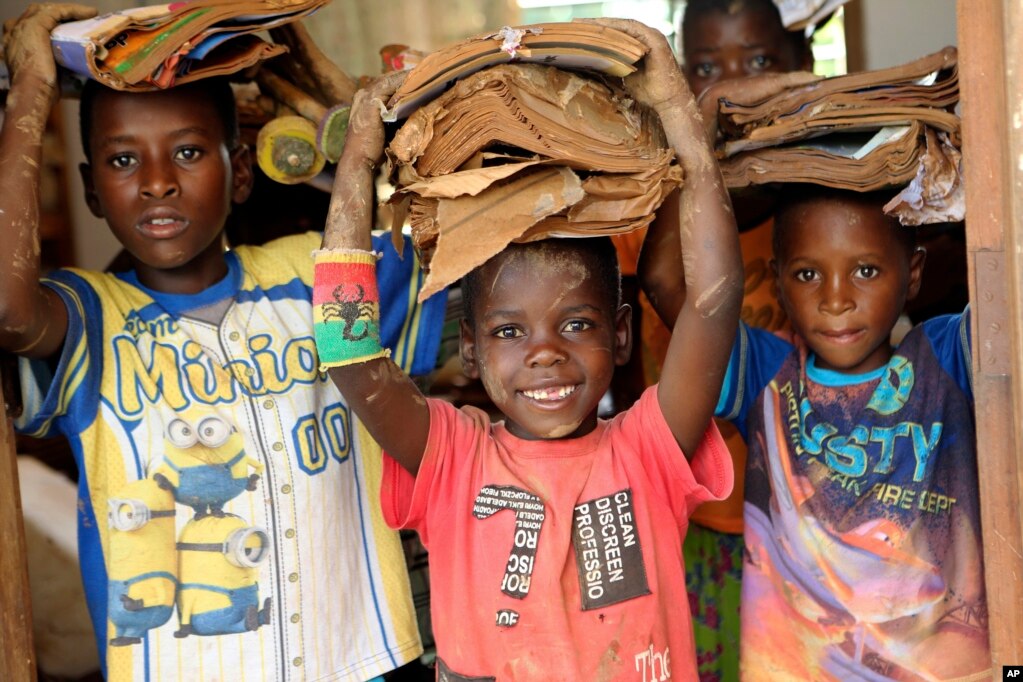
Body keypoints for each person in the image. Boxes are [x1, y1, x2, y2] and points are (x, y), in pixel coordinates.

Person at [0, 4, 447, 680]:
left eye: (187, 151)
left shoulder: (316, 278)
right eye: (124, 159)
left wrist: (316, 82)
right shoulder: (89, 319)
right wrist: (31, 88)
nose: (157, 181)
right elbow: (7, 310)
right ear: (92, 190)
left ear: (239, 172)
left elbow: (441, 227)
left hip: (363, 657)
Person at [311, 17, 742, 681]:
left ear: (620, 335)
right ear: (474, 353)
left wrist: (678, 116)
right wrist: (360, 162)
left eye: (574, 324)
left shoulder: (647, 451)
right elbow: (348, 351)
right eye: (509, 332)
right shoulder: (451, 458)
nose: (543, 353)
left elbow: (712, 304)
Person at [642, 182, 990, 680]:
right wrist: (697, 147)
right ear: (780, 286)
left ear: (912, 274)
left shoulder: (946, 359)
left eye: (865, 271)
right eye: (808, 274)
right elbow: (664, 278)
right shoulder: (767, 375)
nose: (836, 299)